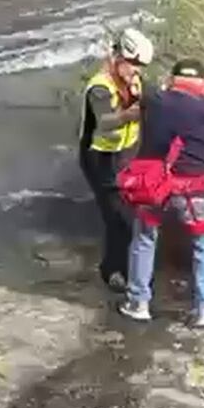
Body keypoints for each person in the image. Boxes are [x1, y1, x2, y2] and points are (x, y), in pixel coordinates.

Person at [119, 58, 204, 328]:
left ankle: (138, 303)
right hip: (193, 188)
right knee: (203, 243)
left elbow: (142, 93)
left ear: (173, 79)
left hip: (153, 186)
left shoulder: (154, 100)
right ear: (201, 82)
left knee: (144, 238)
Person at [79, 27, 153, 292]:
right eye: (134, 65)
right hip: (100, 159)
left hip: (125, 156)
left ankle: (125, 267)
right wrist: (133, 114)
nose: (138, 72)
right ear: (121, 58)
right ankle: (113, 272)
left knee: (130, 215)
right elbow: (106, 122)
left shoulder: (132, 80)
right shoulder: (100, 87)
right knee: (119, 218)